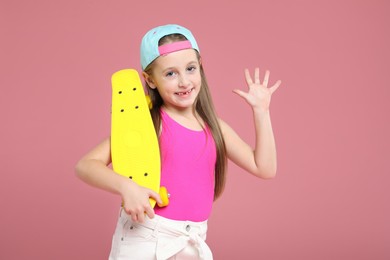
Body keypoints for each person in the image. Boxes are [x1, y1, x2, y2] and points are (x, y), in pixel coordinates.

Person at [75, 24, 281, 260]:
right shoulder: (149, 124)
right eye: (171, 73)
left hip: (193, 239)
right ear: (150, 80)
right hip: (147, 236)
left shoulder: (215, 128)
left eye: (190, 68)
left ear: (200, 67)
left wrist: (261, 112)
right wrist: (126, 187)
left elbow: (264, 167)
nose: (184, 81)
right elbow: (85, 165)